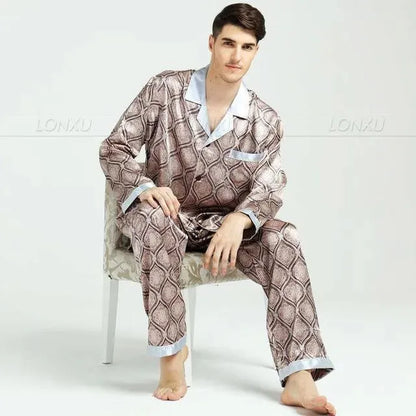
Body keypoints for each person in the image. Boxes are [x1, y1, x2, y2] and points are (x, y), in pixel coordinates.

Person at [98, 3, 336, 415]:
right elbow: (114, 148)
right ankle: (172, 355)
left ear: (256, 52)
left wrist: (239, 220)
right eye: (228, 43)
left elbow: (270, 184)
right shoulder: (164, 90)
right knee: (155, 220)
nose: (235, 56)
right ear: (211, 43)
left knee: (284, 237)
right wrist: (145, 187)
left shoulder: (265, 121)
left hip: (223, 231)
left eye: (247, 47)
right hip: (162, 219)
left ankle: (299, 377)